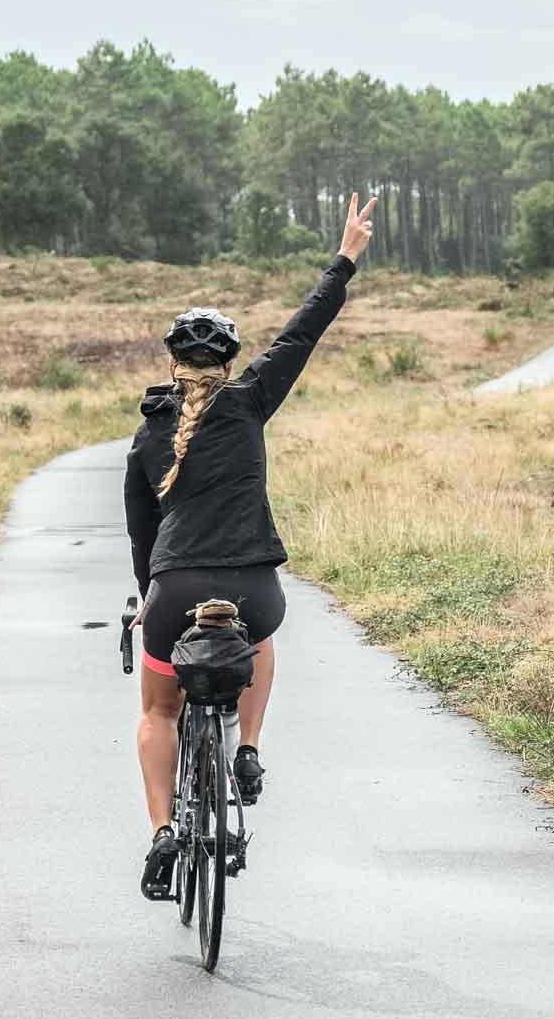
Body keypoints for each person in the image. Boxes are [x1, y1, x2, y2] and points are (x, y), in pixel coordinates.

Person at [127, 192, 376, 898]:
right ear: (229, 363)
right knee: (259, 636)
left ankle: (162, 832)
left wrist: (150, 599)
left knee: (157, 713)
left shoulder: (147, 437)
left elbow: (142, 537)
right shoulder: (251, 401)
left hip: (174, 591)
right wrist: (345, 257)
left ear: (174, 364)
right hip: (254, 590)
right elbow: (304, 332)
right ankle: (247, 748)